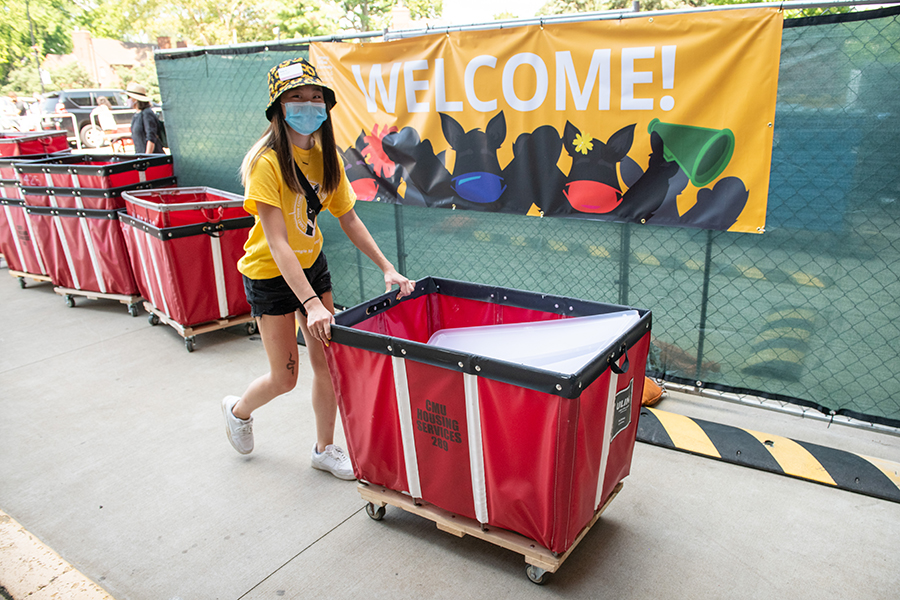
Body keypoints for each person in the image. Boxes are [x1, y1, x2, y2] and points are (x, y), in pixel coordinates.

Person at [221, 57, 415, 479]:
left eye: (314, 98)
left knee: (327, 364)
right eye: (296, 98)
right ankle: (238, 410)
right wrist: (310, 304)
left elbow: (349, 218)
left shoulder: (328, 160)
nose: (307, 105)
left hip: (312, 266)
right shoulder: (267, 162)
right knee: (284, 377)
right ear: (278, 108)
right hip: (269, 273)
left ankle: (324, 449)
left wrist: (387, 268)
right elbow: (276, 242)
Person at [125, 82, 165, 154]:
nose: (127, 100)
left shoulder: (147, 113)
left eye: (129, 97)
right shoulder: (136, 115)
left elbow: (151, 137)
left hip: (151, 157)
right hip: (140, 155)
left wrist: (147, 157)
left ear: (135, 99)